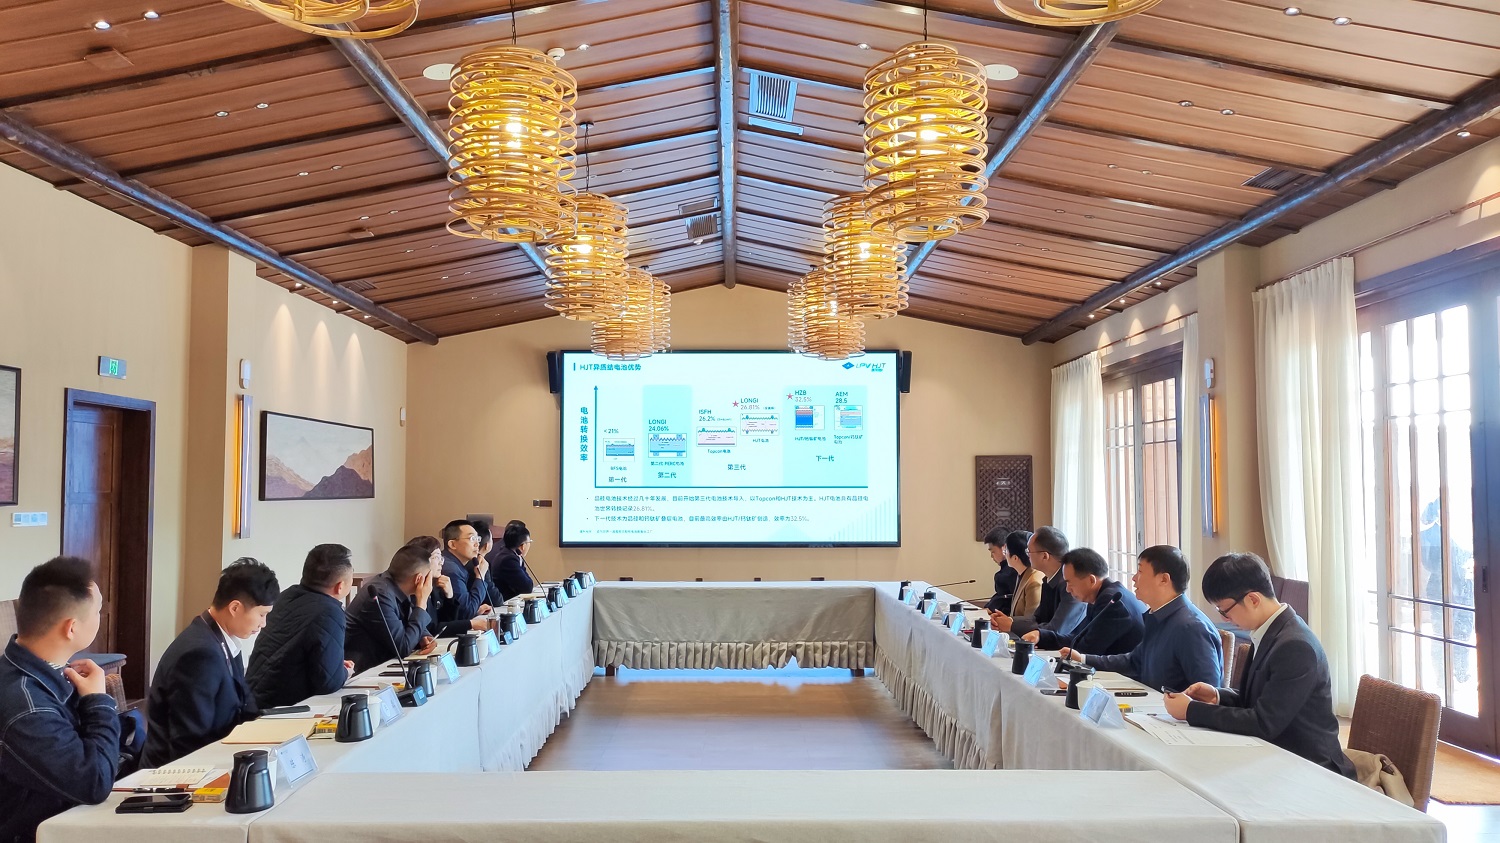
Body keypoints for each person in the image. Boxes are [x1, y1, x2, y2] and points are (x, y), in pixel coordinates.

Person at [1163, 552, 1355, 778]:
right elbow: (1261, 700)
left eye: (1225, 610)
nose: (1224, 619)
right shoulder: (1271, 630)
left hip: (1310, 768)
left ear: (1253, 600)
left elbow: (1264, 723)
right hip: (1276, 756)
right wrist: (1217, 696)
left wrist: (1191, 711)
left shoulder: (1295, 646)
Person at [0, 558, 125, 841]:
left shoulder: (41, 670)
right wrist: (97, 700)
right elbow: (93, 783)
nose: (100, 616)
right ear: (71, 628)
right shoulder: (26, 706)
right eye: (98, 610)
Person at [143, 558, 279, 768]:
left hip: (216, 757)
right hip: (179, 773)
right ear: (235, 608)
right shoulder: (199, 654)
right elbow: (190, 742)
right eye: (262, 614)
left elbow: (245, 708)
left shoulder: (221, 639)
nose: (264, 624)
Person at [1060, 545, 1221, 690]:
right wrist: (1083, 659)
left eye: (1140, 571)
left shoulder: (1191, 627)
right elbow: (1134, 661)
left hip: (1170, 712)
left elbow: (1207, 693)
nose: (1134, 578)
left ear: (1163, 579)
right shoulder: (1158, 615)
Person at [246, 544, 356, 708]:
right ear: (340, 586)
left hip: (254, 697)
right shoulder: (329, 612)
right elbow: (328, 684)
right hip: (282, 708)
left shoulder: (286, 596)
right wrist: (345, 673)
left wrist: (336, 667)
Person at [1022, 547, 1145, 656]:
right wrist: (1041, 636)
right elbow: (1078, 638)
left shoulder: (1112, 601)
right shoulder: (1101, 595)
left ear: (1091, 580)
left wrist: (1044, 637)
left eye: (1069, 583)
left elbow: (1087, 648)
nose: (1067, 589)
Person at [989, 526, 1083, 637]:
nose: (1027, 555)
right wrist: (1007, 620)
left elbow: (1056, 629)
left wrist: (1012, 625)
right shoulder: (1048, 579)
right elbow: (1036, 618)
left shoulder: (1071, 585)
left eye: (1029, 551)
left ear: (1044, 556)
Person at [436, 520, 491, 624]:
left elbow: (463, 610)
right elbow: (467, 611)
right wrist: (480, 577)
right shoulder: (451, 570)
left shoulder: (454, 564)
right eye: (472, 539)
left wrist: (475, 610)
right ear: (452, 544)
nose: (477, 544)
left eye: (478, 539)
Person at [1001, 530, 1044, 619]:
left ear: (1015, 558)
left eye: (1006, 551)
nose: (1004, 555)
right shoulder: (1022, 574)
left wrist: (1007, 621)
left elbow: (1030, 620)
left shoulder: (1034, 582)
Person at [489, 521, 536, 602]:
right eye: (529, 542)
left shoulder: (508, 554)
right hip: (505, 603)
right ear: (523, 546)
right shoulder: (509, 560)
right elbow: (527, 587)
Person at [982, 527, 1020, 614]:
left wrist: (989, 609)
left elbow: (1006, 600)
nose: (991, 556)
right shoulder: (1006, 571)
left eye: (993, 551)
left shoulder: (1010, 573)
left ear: (1004, 548)